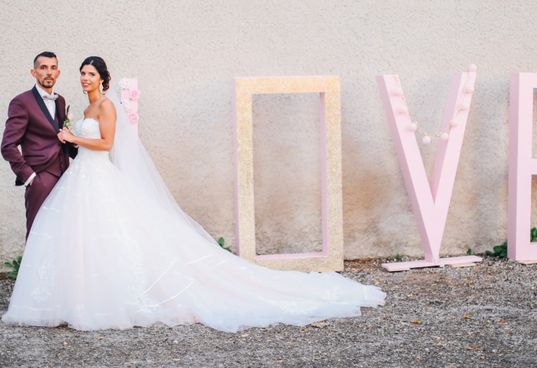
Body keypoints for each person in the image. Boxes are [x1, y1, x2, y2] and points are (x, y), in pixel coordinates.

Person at [1, 56, 385, 332]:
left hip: (96, 174)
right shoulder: (77, 104)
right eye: (82, 73)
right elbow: (35, 142)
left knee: (113, 236)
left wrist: (73, 137)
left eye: (90, 74)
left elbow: (105, 143)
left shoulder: (105, 106)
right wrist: (49, 160)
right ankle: (72, 298)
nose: (84, 78)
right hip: (77, 176)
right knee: (80, 239)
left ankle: (107, 300)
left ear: (103, 78)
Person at [1, 52, 77, 239]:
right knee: (37, 234)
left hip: (63, 176)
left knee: (59, 234)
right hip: (40, 178)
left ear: (58, 73)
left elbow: (59, 137)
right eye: (43, 68)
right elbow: (7, 146)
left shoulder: (60, 101)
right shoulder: (22, 102)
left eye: (52, 68)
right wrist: (30, 177)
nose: (48, 72)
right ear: (33, 72)